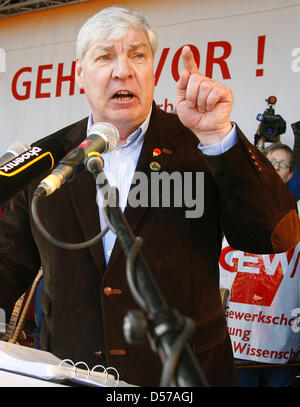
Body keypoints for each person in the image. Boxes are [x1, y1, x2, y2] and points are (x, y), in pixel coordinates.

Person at [0, 6, 298, 387]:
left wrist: (220, 137)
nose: (122, 70)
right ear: (80, 75)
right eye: (105, 56)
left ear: (153, 71)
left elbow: (276, 234)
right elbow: (8, 263)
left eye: (137, 55)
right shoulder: (47, 156)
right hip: (68, 374)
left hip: (182, 380)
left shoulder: (202, 145)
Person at [220, 143, 300, 387]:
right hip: (235, 336)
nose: (276, 166)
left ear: (291, 174)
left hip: (284, 337)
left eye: (283, 163)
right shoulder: (230, 205)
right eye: (271, 161)